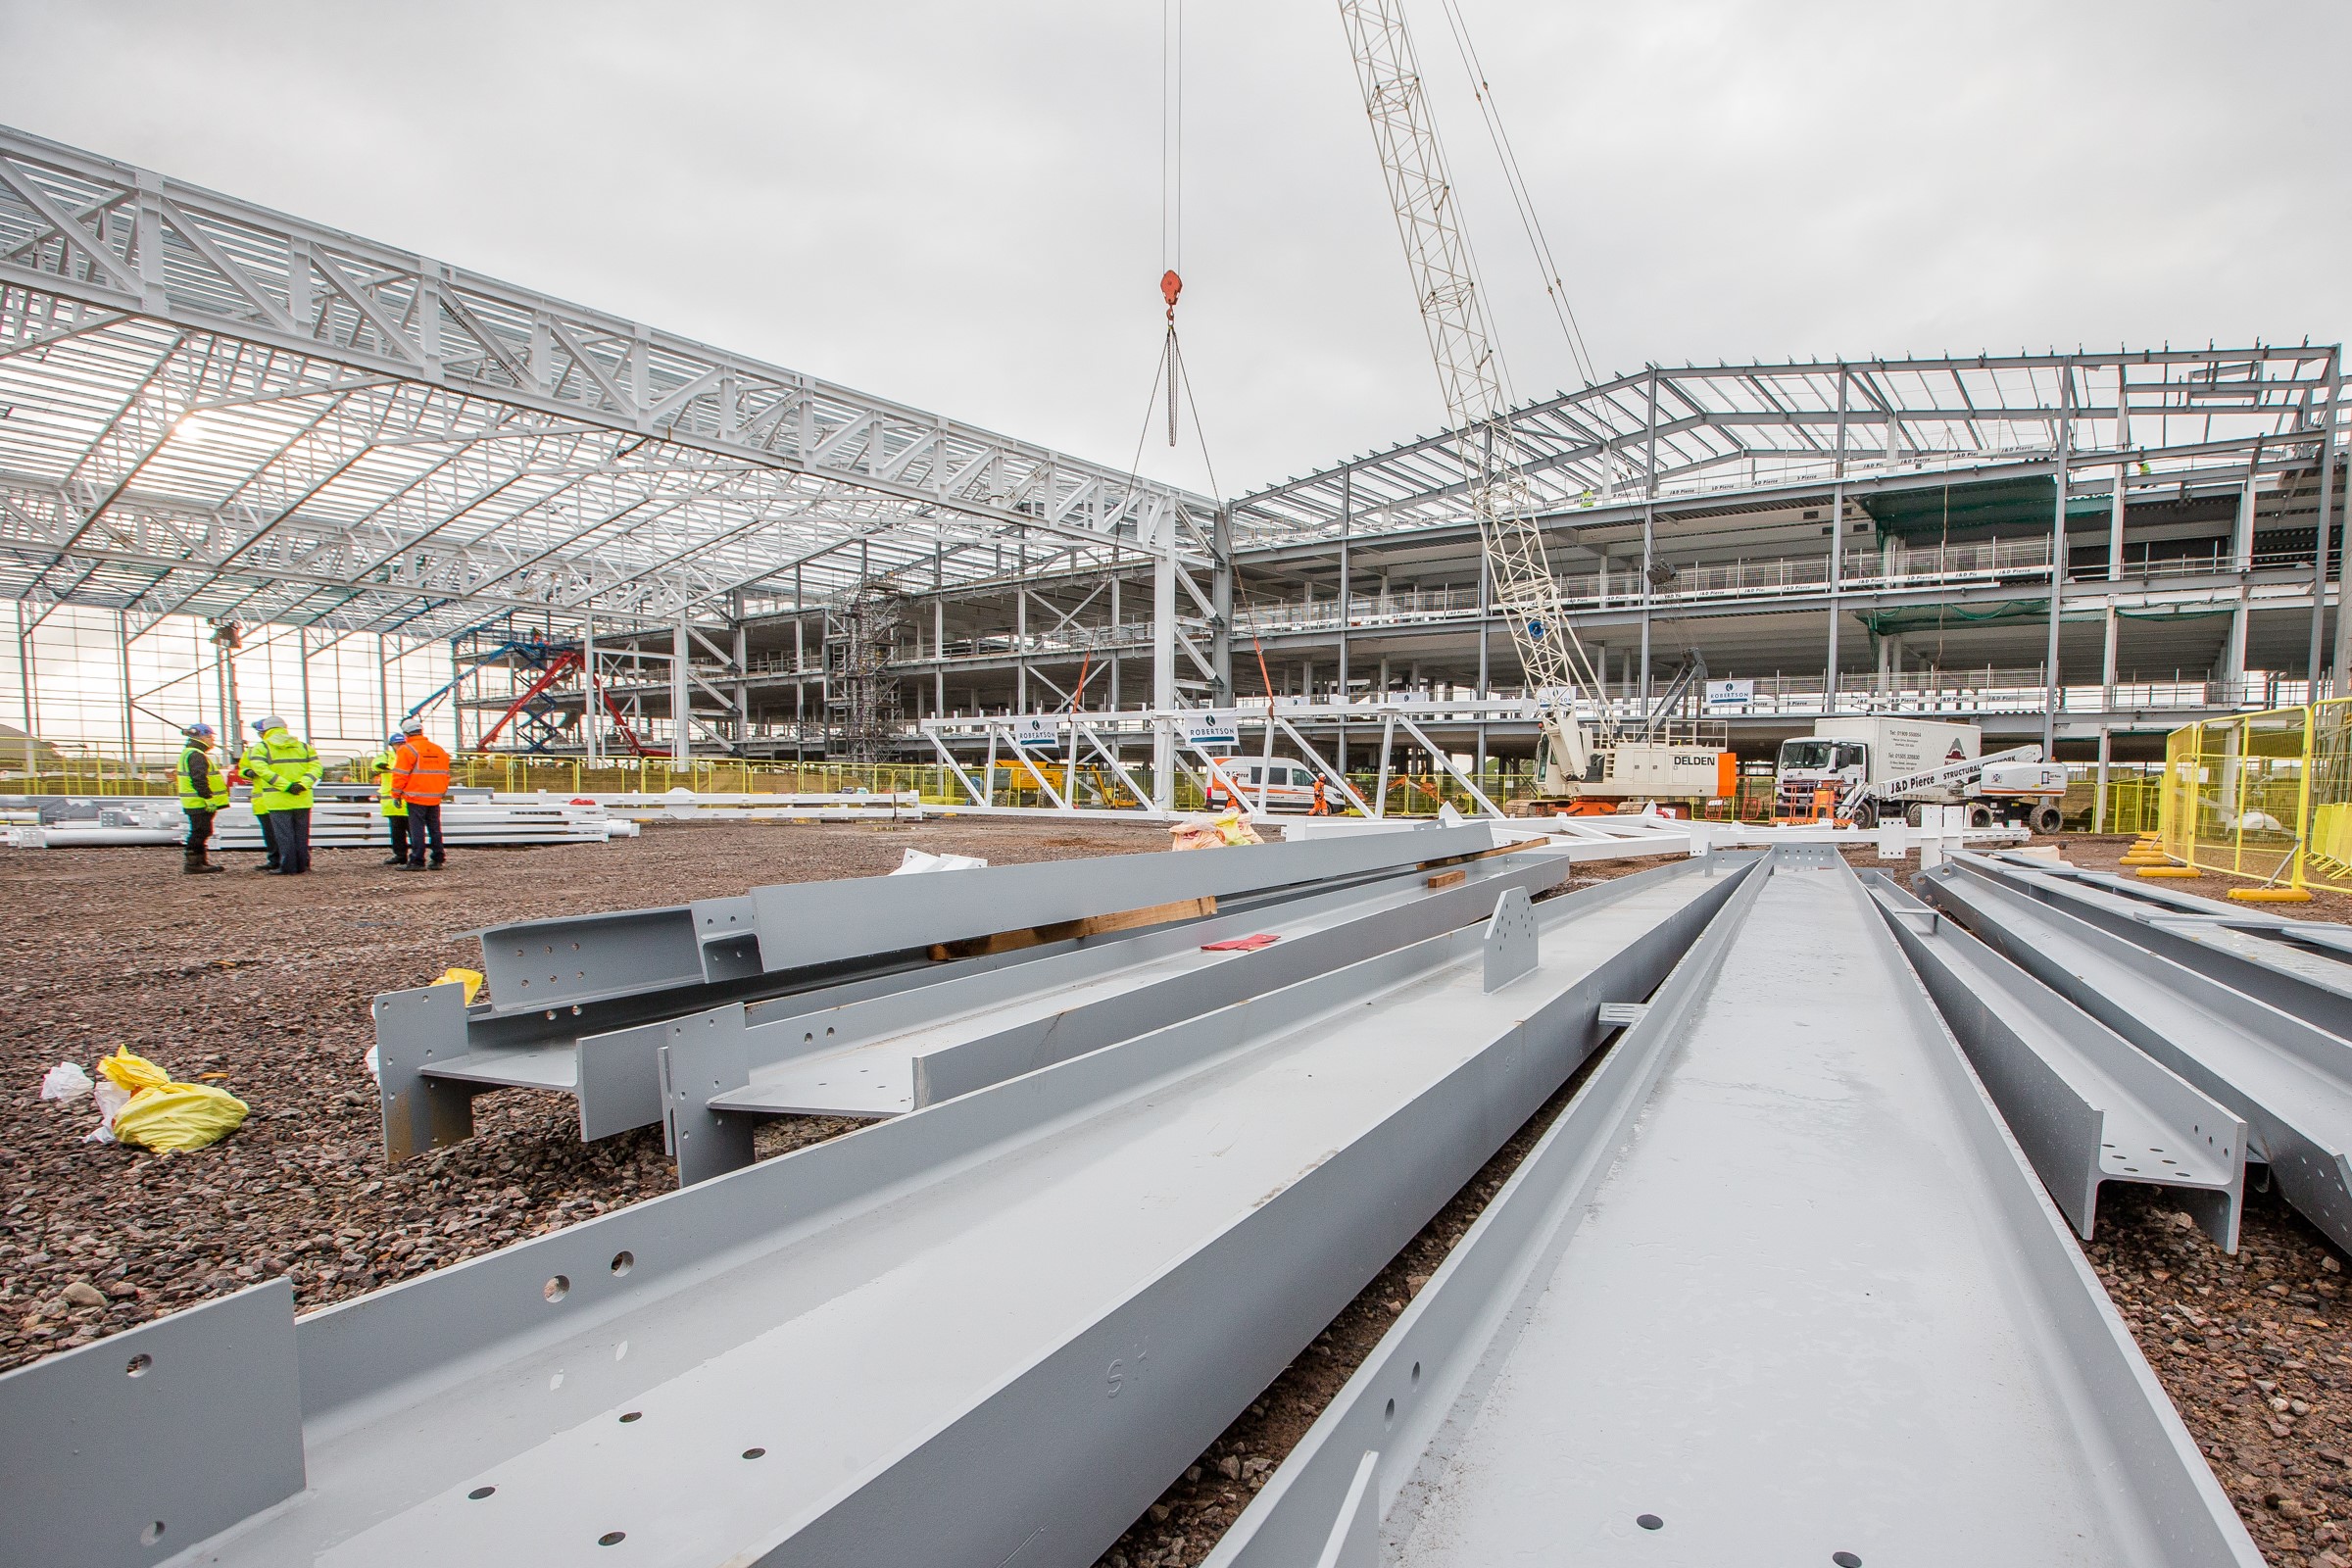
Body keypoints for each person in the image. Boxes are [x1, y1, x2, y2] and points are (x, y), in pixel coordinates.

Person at [243, 716, 322, 874]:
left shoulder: (262, 748)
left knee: (284, 835)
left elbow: (262, 770)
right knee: (301, 835)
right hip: (302, 797)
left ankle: (287, 867)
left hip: (277, 798)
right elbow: (316, 768)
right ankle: (302, 866)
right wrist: (302, 784)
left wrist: (285, 786)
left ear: (265, 730)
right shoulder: (304, 747)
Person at [390, 715, 452, 870]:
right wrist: (441, 791)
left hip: (416, 796)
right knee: (435, 828)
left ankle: (417, 861)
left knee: (417, 829)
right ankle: (438, 858)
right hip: (435, 796)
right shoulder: (438, 749)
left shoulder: (407, 749)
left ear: (406, 734)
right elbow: (446, 773)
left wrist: (396, 795)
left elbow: (400, 775)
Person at [174, 722, 229, 875]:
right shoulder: (196, 755)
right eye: (210, 737)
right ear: (203, 737)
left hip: (195, 801)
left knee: (202, 830)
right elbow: (199, 779)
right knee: (200, 831)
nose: (212, 741)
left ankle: (200, 861)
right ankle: (193, 864)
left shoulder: (191, 752)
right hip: (198, 802)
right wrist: (208, 798)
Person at [373, 733, 410, 866]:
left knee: (413, 830)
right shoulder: (387, 756)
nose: (400, 746)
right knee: (396, 831)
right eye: (397, 744)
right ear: (392, 745)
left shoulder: (410, 755)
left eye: (402, 743)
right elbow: (375, 763)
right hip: (392, 801)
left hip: (408, 800)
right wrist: (381, 765)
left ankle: (416, 855)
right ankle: (400, 855)